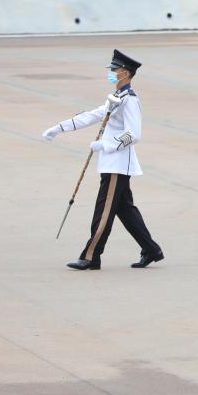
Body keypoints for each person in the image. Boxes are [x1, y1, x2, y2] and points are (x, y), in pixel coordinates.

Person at [41, 49, 163, 270]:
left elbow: (134, 134)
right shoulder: (117, 97)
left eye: (114, 70)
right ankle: (151, 249)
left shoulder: (130, 101)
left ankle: (91, 256)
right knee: (125, 210)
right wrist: (59, 128)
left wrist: (106, 145)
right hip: (111, 163)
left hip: (117, 164)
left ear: (125, 73)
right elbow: (92, 115)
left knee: (103, 212)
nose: (111, 73)